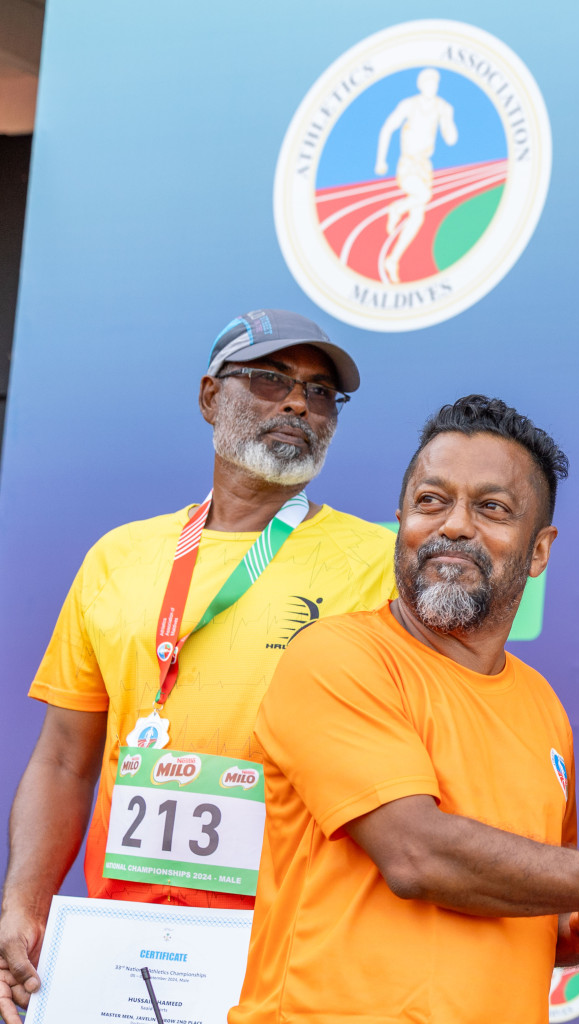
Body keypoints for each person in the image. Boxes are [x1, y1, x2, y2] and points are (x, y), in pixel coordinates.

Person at [230, 396, 579, 1024]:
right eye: (431, 501)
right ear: (401, 523)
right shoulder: (337, 656)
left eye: (492, 508)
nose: (454, 525)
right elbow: (417, 856)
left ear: (539, 551)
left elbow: (536, 911)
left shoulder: (542, 707)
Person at [0, 310, 396, 1024]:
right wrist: (25, 908)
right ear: (211, 397)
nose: (299, 403)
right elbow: (63, 760)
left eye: (321, 391)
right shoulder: (118, 558)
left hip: (293, 952)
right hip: (119, 945)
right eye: (271, 379)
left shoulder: (379, 565)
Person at [375, 67, 457, 283]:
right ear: (421, 84)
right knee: (422, 196)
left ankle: (393, 259)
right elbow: (387, 128)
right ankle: (396, 208)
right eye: (428, 82)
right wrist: (381, 160)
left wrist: (448, 118)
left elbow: (450, 139)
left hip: (425, 167)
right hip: (408, 164)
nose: (432, 86)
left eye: (435, 82)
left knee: (418, 217)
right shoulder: (409, 105)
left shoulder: (442, 107)